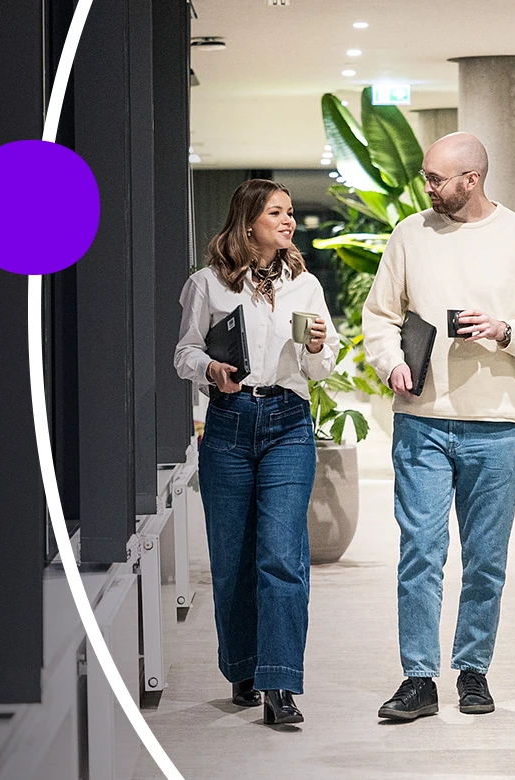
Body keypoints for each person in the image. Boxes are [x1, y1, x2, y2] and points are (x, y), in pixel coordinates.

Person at [362, 132, 515, 721]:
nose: (426, 187)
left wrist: (504, 331)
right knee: (420, 553)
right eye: (426, 176)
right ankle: (419, 679)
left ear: (471, 180)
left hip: (497, 424)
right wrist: (392, 362)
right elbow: (379, 315)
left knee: (485, 558)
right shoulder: (409, 235)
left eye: (435, 179)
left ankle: (473, 671)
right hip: (421, 421)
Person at [174, 178, 339, 726]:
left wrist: (317, 348)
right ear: (248, 223)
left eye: (291, 213)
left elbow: (321, 366)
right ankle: (243, 665)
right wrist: (210, 369)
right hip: (228, 423)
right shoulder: (208, 284)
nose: (289, 221)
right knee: (233, 557)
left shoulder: (305, 285)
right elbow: (184, 353)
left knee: (282, 555)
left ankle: (279, 683)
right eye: (277, 213)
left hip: (288, 422)